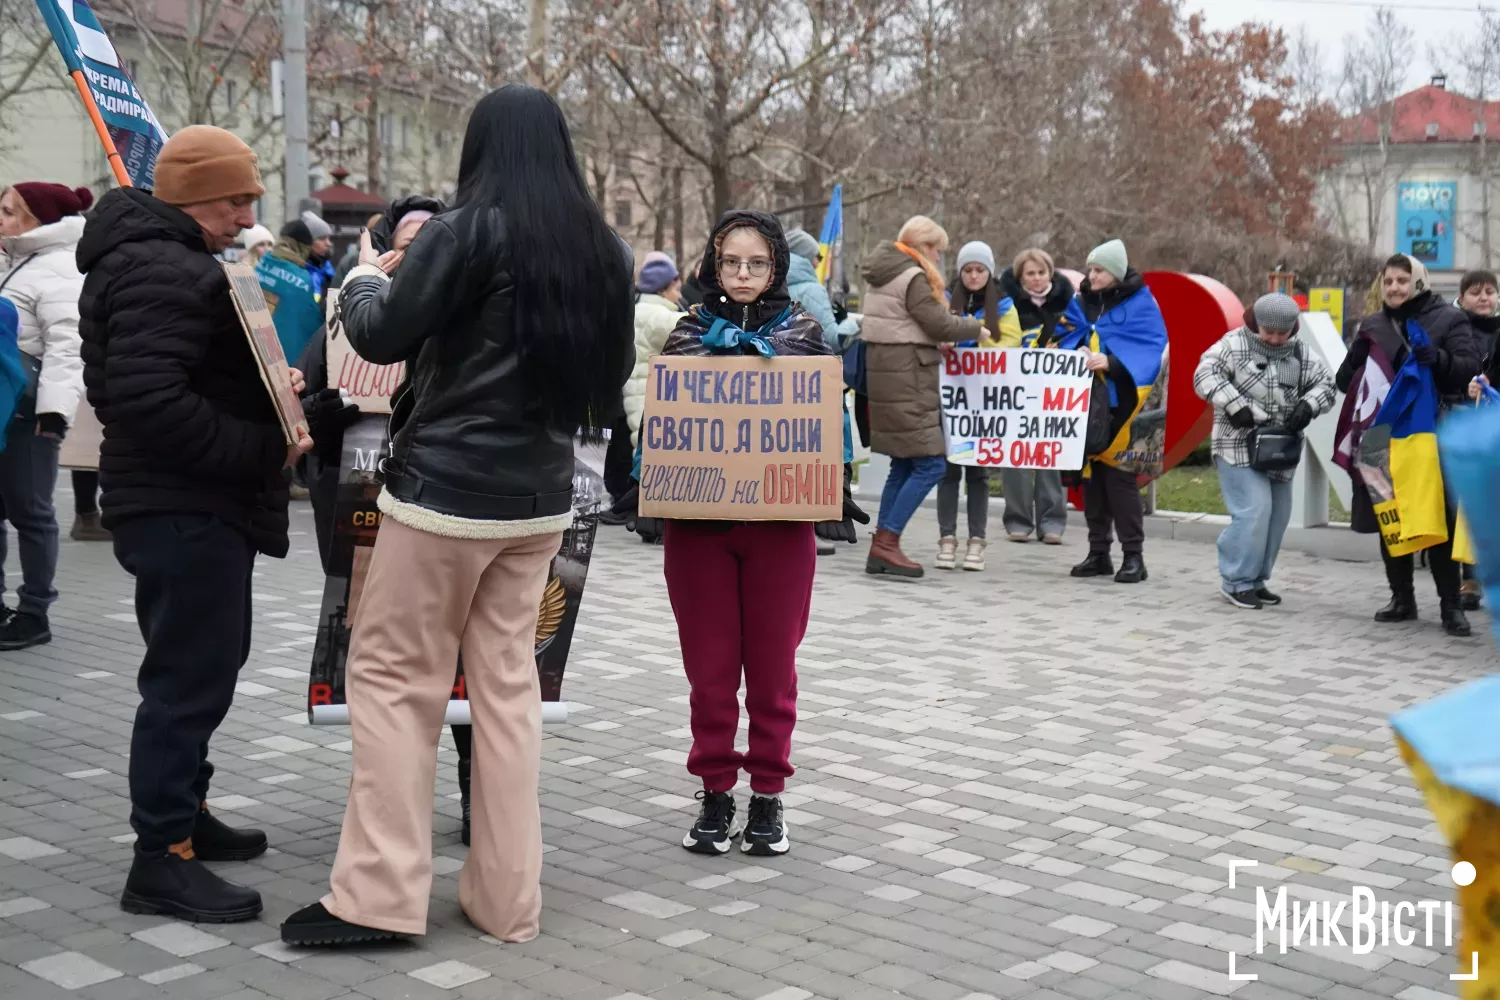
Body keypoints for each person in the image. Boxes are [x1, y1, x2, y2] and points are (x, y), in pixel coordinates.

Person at [281, 84, 633, 948]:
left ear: (480, 148)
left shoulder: (463, 229)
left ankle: (376, 898)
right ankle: (508, 899)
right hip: (541, 501)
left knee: (396, 685)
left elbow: (381, 335)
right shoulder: (601, 249)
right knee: (508, 693)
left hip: (442, 499)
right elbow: (611, 373)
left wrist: (363, 276)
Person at [76, 125, 313, 921]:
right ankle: (160, 859)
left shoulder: (176, 260)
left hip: (193, 501)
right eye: (236, 198)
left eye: (251, 196)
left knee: (207, 665)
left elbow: (174, 378)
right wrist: (262, 445)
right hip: (183, 504)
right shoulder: (160, 268)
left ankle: (187, 817)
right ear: (189, 197)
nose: (250, 214)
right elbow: (147, 400)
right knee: (185, 681)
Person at [661, 210, 836, 858]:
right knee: (709, 673)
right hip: (699, 529)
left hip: (780, 531)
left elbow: (824, 429)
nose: (741, 274)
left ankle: (767, 796)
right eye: (731, 262)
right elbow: (664, 421)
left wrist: (833, 491)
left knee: (771, 671)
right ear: (713, 264)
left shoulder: (805, 334)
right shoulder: (684, 334)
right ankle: (714, 791)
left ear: (775, 269)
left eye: (755, 263)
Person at [1338, 254, 1480, 636]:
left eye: (1402, 281)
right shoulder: (1373, 324)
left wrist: (1441, 359)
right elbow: (1346, 381)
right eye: (1388, 282)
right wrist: (1356, 363)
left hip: (1428, 434)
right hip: (1381, 438)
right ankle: (1402, 598)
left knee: (1437, 518)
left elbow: (1468, 367)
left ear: (1418, 281)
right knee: (1391, 516)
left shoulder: (1449, 319)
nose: (1395, 288)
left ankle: (1451, 607)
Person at [1194, 293, 1337, 609]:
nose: (1274, 339)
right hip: (1237, 443)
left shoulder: (1300, 351)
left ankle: (1256, 579)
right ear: (1256, 324)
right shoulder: (1232, 344)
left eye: (1281, 333)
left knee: (1277, 516)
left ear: (1292, 328)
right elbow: (1204, 374)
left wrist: (1308, 405)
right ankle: (1236, 580)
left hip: (1280, 447)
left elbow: (1326, 385)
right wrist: (1234, 404)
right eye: (1267, 332)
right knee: (1254, 510)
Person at [860, 216, 983, 578]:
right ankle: (887, 542)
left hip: (890, 374)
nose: (939, 258)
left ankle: (882, 546)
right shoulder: (912, 275)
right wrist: (977, 328)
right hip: (908, 378)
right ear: (922, 245)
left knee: (903, 463)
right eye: (937, 250)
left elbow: (906, 322)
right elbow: (938, 323)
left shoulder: (884, 273)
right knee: (931, 464)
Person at [0, 182, 89, 649]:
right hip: (3, 408)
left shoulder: (57, 268)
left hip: (27, 414)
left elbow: (66, 348)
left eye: (9, 211)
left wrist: (53, 414)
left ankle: (35, 613)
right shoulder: (15, 263)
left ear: (38, 220)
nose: (0, 217)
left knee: (31, 512)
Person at [1061, 239, 1168, 585]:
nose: (1091, 276)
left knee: (1121, 483)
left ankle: (1134, 557)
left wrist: (1113, 362)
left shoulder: (1141, 304)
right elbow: (1063, 336)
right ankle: (1098, 553)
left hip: (1125, 404)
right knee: (1092, 483)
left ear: (1117, 273)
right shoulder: (1082, 302)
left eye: (1099, 270)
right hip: (1087, 405)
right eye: (1090, 269)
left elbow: (1154, 349)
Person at [933, 240, 1021, 572]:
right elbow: (933, 331)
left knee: (978, 474)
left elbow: (1011, 344)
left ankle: (976, 542)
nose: (973, 276)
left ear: (989, 272)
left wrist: (972, 342)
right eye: (967, 270)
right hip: (951, 401)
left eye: (979, 270)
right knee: (949, 470)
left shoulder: (1006, 306)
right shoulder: (944, 300)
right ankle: (947, 539)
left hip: (985, 404)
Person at [784, 226, 862, 555]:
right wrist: (855, 324)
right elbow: (829, 337)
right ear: (806, 256)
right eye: (817, 255)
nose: (820, 260)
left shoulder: (775, 285)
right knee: (827, 450)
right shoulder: (810, 289)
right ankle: (824, 523)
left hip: (787, 385)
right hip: (818, 382)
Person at [998, 247, 1077, 544]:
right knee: (1015, 457)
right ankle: (1017, 520)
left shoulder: (1069, 304)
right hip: (1015, 390)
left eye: (1041, 272)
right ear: (1020, 278)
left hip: (1053, 393)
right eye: (1030, 273)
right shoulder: (1006, 305)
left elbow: (1077, 338)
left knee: (1049, 456)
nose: (1036, 279)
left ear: (1051, 274)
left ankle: (1052, 522)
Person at [611, 250, 683, 531]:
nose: (678, 294)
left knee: (641, 455)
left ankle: (643, 516)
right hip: (653, 395)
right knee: (657, 457)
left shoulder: (634, 311)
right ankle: (650, 520)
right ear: (664, 288)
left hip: (631, 392)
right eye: (676, 288)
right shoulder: (661, 318)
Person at [1457, 269, 1498, 612]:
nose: (1484, 297)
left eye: (1490, 291)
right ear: (1462, 297)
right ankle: (1469, 579)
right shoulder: (1455, 330)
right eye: (1476, 292)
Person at [255, 216, 326, 365]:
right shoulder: (302, 279)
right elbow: (310, 321)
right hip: (287, 359)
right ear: (302, 247)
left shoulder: (262, 264)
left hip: (256, 351)